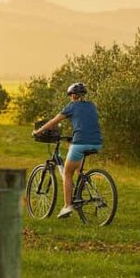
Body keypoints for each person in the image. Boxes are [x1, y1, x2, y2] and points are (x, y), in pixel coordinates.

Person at [32, 82, 102, 218]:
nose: (70, 98)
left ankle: (67, 206)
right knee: (78, 168)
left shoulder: (72, 106)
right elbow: (86, 122)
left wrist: (38, 131)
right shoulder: (91, 105)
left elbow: (53, 121)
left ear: (73, 95)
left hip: (80, 142)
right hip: (96, 142)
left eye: (70, 96)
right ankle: (90, 191)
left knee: (67, 174)